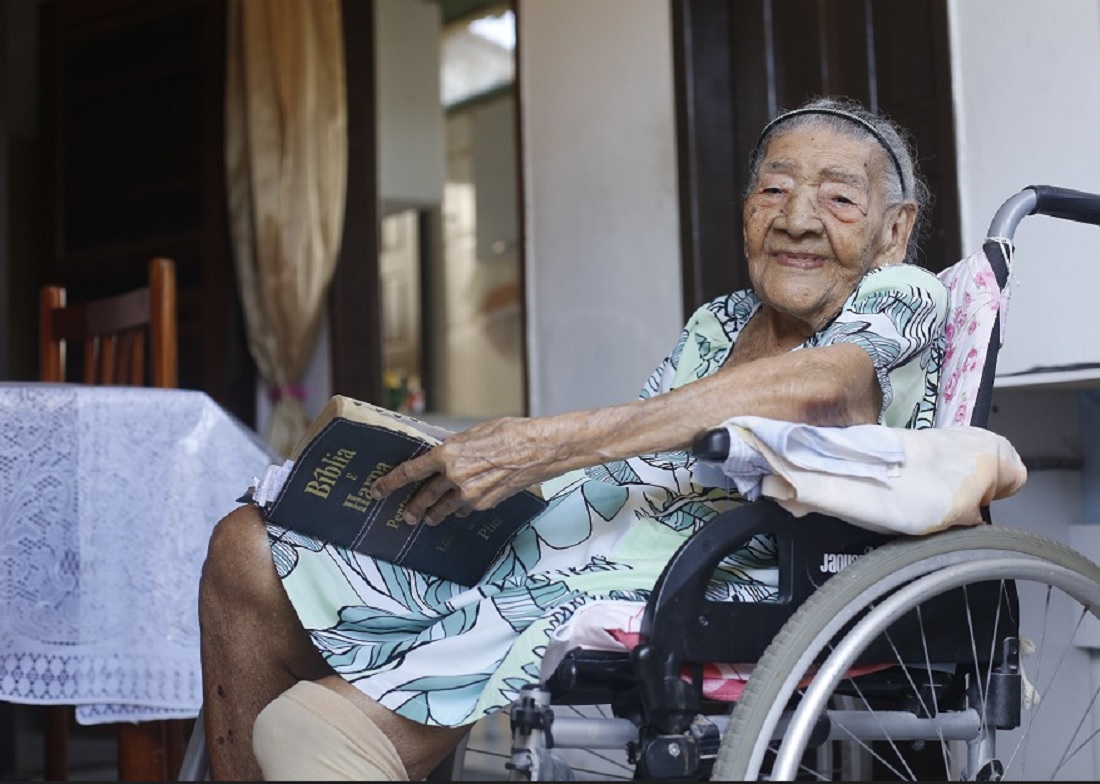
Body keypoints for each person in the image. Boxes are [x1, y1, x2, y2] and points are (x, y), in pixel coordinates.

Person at [198, 96, 946, 780]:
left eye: (840, 198)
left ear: (895, 228)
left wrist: (550, 443)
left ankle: (356, 729)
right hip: (591, 542)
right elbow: (645, 458)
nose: (798, 219)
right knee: (248, 547)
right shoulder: (719, 321)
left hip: (735, 572)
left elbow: (822, 387)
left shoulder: (902, 295)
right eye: (774, 190)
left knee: (311, 728)